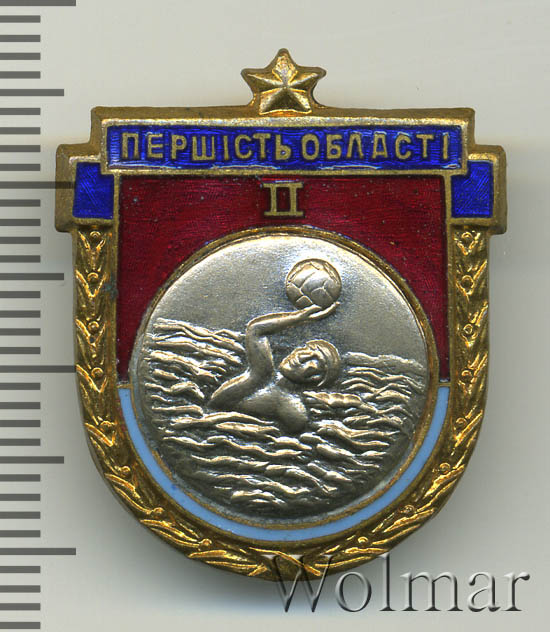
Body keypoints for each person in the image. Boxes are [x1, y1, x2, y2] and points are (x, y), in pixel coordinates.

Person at [209, 303, 340, 434]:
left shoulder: (294, 412)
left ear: (316, 378)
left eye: (314, 359)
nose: (302, 355)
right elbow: (255, 330)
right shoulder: (263, 370)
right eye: (307, 348)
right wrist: (297, 317)